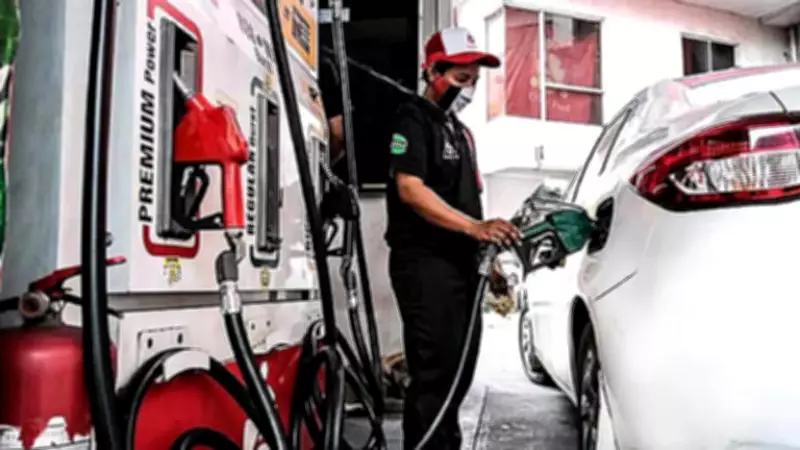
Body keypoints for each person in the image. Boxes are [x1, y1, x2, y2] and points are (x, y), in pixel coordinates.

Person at [384, 27, 521, 450]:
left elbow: (469, 206)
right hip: (426, 266)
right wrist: (475, 229)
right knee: (435, 374)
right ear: (432, 71)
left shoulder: (461, 134)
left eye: (474, 81)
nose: (469, 90)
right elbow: (410, 188)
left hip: (463, 268)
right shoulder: (413, 119)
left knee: (458, 374)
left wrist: (487, 261)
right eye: (461, 79)